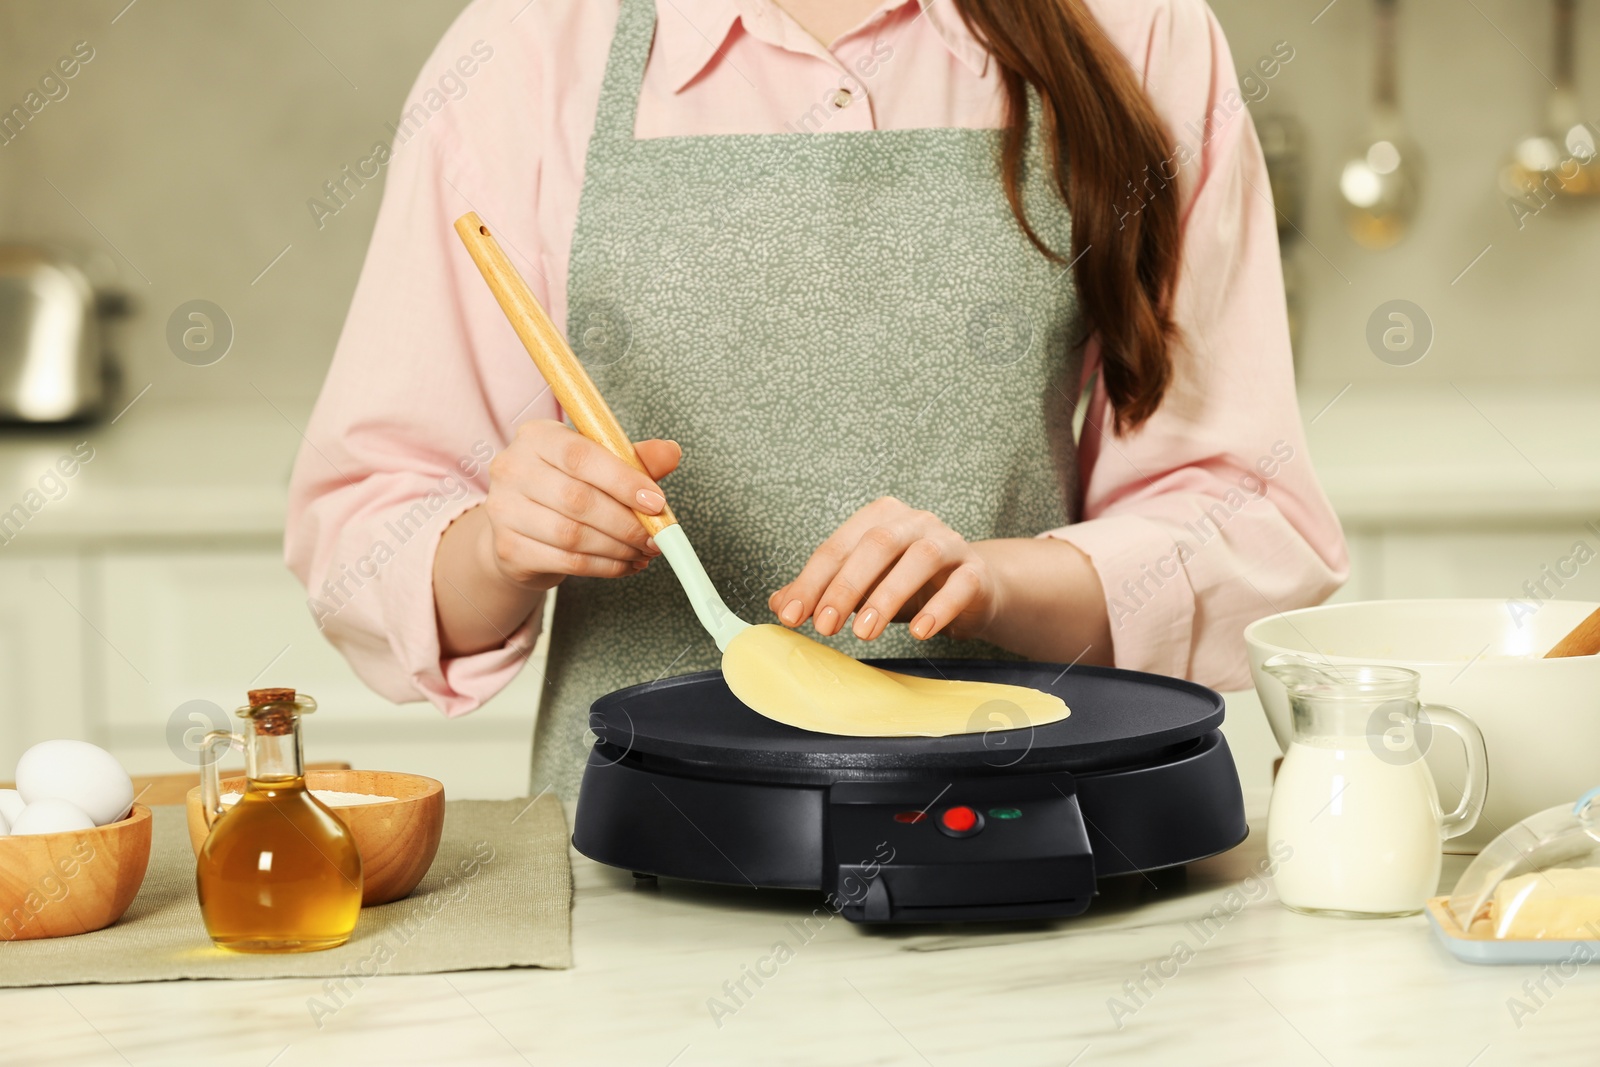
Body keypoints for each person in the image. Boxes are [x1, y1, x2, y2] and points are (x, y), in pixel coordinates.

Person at [287, 0, 1348, 799]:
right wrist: (498, 544)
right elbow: (362, 538)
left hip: (1015, 842)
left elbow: (1248, 518)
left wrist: (993, 580)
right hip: (636, 869)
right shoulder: (525, 50)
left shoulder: (1139, 29)